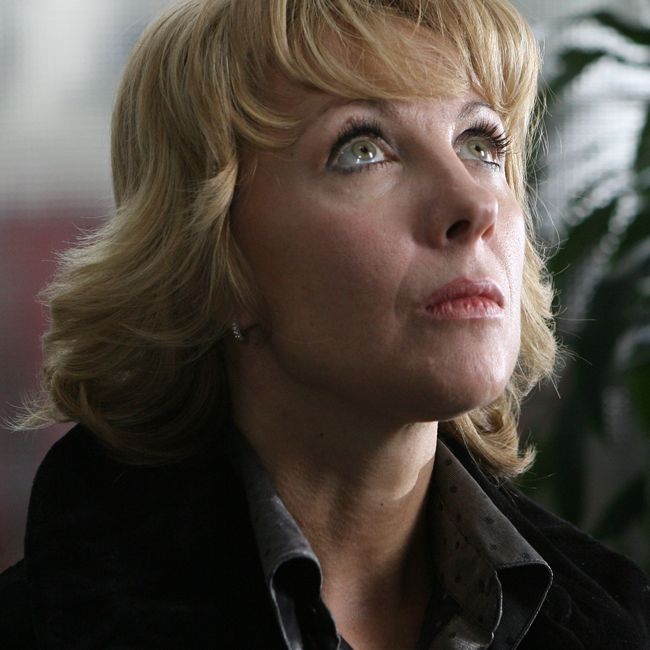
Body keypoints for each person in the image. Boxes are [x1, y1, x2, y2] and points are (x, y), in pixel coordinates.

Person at [1, 0, 649, 647]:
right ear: (214, 263)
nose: (474, 203)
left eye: (480, 145)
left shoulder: (619, 622)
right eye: (362, 149)